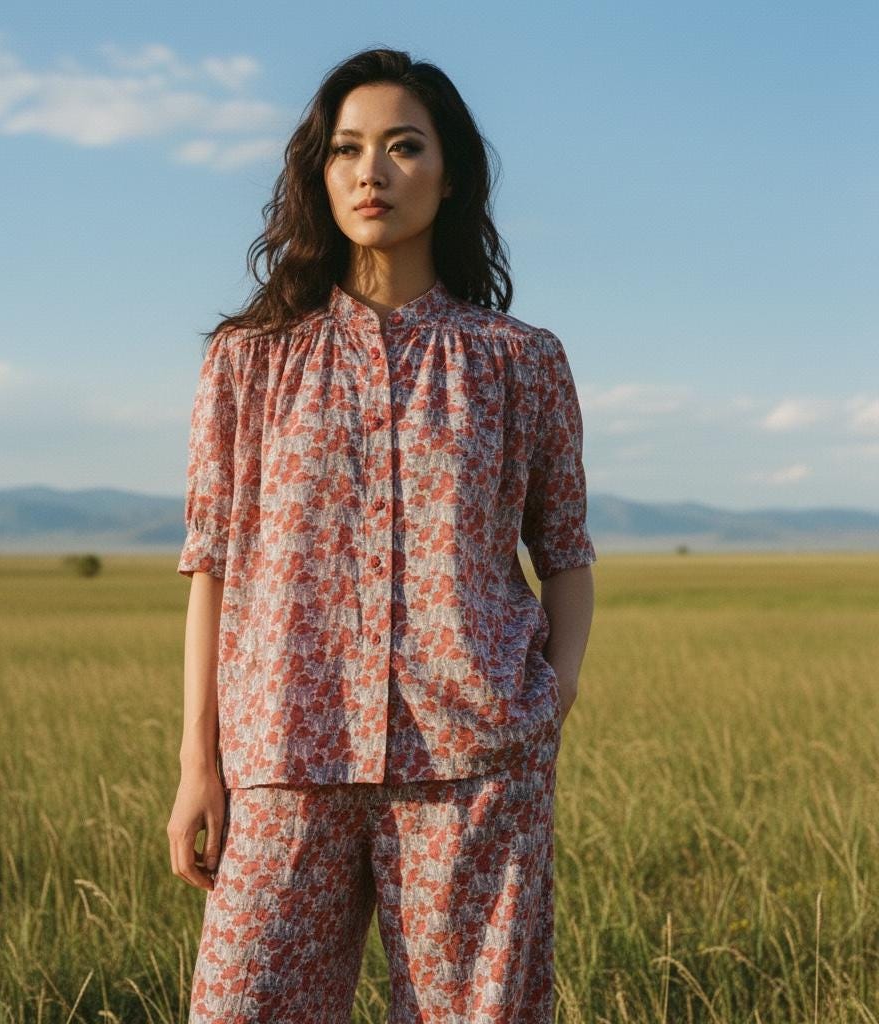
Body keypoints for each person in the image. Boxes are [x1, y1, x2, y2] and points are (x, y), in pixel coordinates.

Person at [166, 46, 596, 1024]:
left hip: (471, 758)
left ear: (449, 178)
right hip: (284, 750)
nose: (373, 172)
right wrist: (200, 763)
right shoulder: (248, 363)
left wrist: (548, 697)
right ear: (318, 175)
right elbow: (212, 566)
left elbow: (564, 550)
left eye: (404, 147)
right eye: (348, 149)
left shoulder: (519, 362)